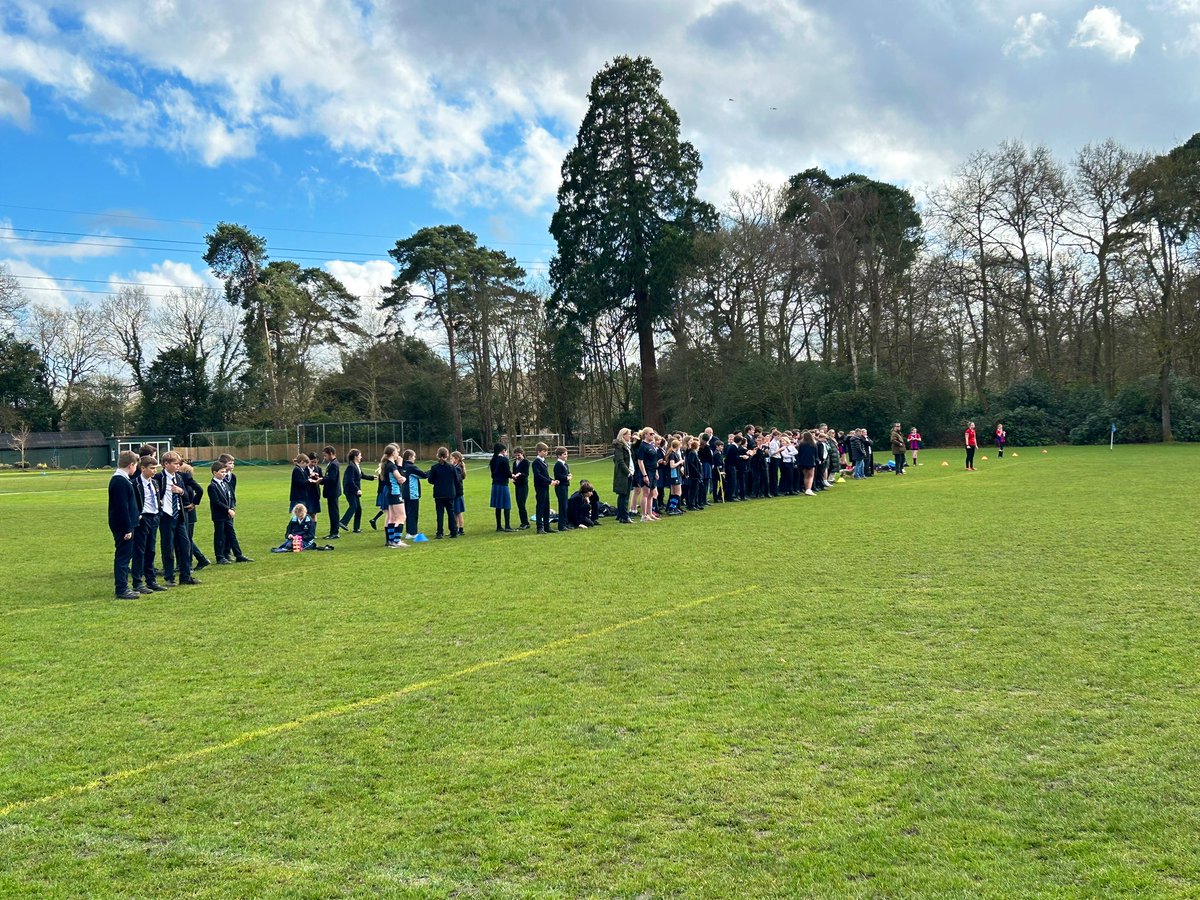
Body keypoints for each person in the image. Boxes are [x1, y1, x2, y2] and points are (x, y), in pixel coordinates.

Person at [155, 451, 200, 585]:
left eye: (179, 464)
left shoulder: (179, 478)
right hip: (166, 516)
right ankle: (169, 577)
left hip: (179, 516)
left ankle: (185, 576)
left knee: (185, 545)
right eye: (175, 464)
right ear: (166, 464)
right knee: (168, 547)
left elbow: (186, 495)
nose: (178, 466)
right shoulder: (159, 478)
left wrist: (180, 491)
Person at [108, 450, 141, 599]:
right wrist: (127, 528)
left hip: (126, 524)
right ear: (131, 465)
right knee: (123, 557)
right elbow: (121, 507)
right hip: (123, 526)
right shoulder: (119, 481)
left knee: (125, 556)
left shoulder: (123, 479)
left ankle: (123, 587)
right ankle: (121, 588)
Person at [132, 456, 166, 593]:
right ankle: (137, 582)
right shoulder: (135, 484)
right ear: (143, 468)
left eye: (155, 468)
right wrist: (137, 516)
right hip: (143, 518)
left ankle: (151, 580)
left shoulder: (155, 483)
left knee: (151, 550)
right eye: (152, 468)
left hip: (154, 517)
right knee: (140, 551)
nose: (154, 471)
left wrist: (158, 513)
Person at [428, 447, 462, 538]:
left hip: (439, 493)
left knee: (439, 513)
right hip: (450, 493)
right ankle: (454, 531)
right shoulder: (451, 467)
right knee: (451, 512)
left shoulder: (434, 467)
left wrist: (437, 481)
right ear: (447, 455)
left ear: (438, 455)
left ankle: (439, 532)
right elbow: (456, 480)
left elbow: (430, 480)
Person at [380, 444, 408, 548]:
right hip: (395, 493)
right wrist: (401, 469)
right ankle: (397, 541)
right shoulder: (392, 466)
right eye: (397, 452)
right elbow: (399, 479)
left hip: (389, 493)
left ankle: (391, 541)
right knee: (402, 517)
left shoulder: (387, 465)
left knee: (392, 518)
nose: (398, 454)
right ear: (393, 453)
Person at [339, 449, 373, 534]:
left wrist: (372, 477)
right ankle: (343, 522)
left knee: (358, 509)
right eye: (360, 455)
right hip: (350, 490)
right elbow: (350, 480)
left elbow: (362, 475)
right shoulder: (351, 466)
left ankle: (356, 528)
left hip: (354, 490)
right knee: (353, 506)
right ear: (355, 457)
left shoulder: (357, 465)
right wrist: (357, 489)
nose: (361, 457)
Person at [401, 449, 428, 538]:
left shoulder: (403, 466)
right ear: (410, 457)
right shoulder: (411, 467)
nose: (415, 458)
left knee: (408, 513)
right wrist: (432, 470)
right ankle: (412, 533)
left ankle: (409, 531)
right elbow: (423, 475)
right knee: (413, 513)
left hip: (405, 493)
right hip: (412, 493)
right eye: (414, 456)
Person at [489, 443, 515, 532]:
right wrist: (513, 476)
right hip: (503, 484)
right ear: (503, 450)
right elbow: (507, 473)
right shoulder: (504, 460)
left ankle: (499, 526)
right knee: (507, 505)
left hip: (495, 484)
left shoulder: (493, 460)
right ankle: (507, 525)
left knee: (498, 506)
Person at [532, 442, 556, 534]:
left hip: (545, 486)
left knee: (547, 506)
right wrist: (550, 482)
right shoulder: (536, 462)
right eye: (544, 451)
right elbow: (538, 475)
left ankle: (547, 526)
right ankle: (539, 527)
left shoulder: (544, 462)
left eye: (547, 451)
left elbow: (545, 475)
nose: (546, 453)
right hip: (540, 487)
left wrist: (552, 480)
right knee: (540, 507)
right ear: (538, 452)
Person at [612, 428, 633, 524]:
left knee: (623, 495)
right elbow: (620, 461)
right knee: (624, 496)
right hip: (623, 474)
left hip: (627, 472)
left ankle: (621, 516)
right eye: (628, 434)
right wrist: (628, 472)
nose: (630, 436)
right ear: (623, 435)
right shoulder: (620, 447)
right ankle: (625, 516)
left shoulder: (627, 445)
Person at [321, 446, 341, 538]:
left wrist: (321, 480)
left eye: (325, 455)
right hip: (332, 491)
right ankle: (333, 531)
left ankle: (334, 532)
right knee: (333, 511)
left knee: (333, 512)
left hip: (332, 491)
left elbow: (331, 479)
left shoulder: (333, 464)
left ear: (331, 454)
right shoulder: (332, 463)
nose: (324, 458)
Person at [553, 446, 572, 530]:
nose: (566, 456)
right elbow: (558, 476)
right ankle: (561, 525)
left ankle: (565, 523)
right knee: (562, 505)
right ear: (559, 456)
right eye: (564, 454)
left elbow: (567, 472)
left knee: (565, 505)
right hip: (560, 487)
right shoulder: (558, 465)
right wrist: (566, 478)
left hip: (565, 486)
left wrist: (569, 475)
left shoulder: (565, 464)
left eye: (566, 454)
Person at [512, 447, 531, 530]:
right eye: (515, 455)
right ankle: (523, 522)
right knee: (519, 504)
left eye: (518, 455)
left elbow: (526, 474)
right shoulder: (514, 463)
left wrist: (519, 474)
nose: (517, 457)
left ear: (522, 454)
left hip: (523, 485)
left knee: (521, 503)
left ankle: (525, 522)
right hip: (517, 485)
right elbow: (513, 472)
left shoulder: (526, 462)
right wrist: (513, 477)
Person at [450, 450, 467, 535]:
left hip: (457, 493)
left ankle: (460, 529)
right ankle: (455, 528)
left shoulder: (457, 468)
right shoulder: (457, 467)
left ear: (456, 459)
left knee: (458, 512)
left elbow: (457, 479)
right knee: (456, 512)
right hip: (457, 493)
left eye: (451, 458)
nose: (450, 460)